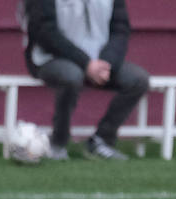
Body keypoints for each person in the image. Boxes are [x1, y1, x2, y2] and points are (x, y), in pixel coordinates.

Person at [20, 0, 150, 161]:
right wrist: (86, 63)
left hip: (100, 62)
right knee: (71, 76)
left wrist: (107, 62)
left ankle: (101, 140)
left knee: (138, 80)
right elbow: (44, 31)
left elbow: (120, 29)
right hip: (51, 58)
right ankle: (58, 142)